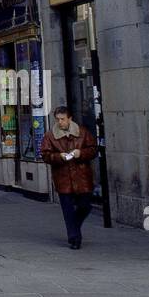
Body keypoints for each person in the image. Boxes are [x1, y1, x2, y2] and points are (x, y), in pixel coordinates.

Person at [41, 105, 99, 248]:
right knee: (67, 210)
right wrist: (58, 156)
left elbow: (93, 150)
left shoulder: (82, 132)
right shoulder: (50, 136)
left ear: (70, 118)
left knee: (85, 206)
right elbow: (45, 155)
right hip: (63, 178)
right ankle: (74, 238)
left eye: (63, 119)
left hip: (82, 177)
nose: (60, 122)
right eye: (58, 119)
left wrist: (81, 153)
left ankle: (75, 226)